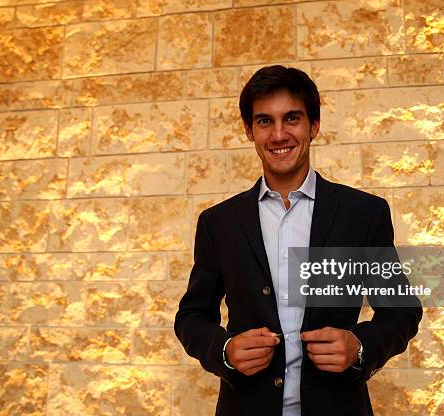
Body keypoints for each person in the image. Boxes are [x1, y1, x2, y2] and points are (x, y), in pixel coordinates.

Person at [174, 65, 422, 416]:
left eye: (292, 118)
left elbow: (402, 311)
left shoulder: (363, 213)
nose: (279, 134)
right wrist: (224, 350)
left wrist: (361, 347)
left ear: (314, 126)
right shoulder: (219, 223)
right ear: (249, 130)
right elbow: (192, 316)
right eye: (264, 121)